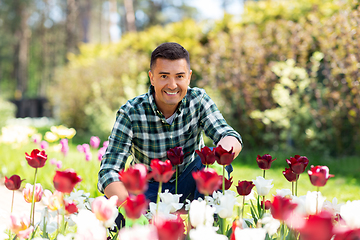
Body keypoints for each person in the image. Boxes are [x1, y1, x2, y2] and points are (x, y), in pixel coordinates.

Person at [98, 42, 242, 227]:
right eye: (164, 76)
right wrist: (132, 208)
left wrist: (224, 153)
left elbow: (228, 134)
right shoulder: (131, 112)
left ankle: (200, 226)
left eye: (179, 76)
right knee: (111, 207)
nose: (172, 85)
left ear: (189, 78)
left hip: (191, 185)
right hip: (148, 190)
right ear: (152, 78)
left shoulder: (198, 100)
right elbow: (109, 170)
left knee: (216, 159)